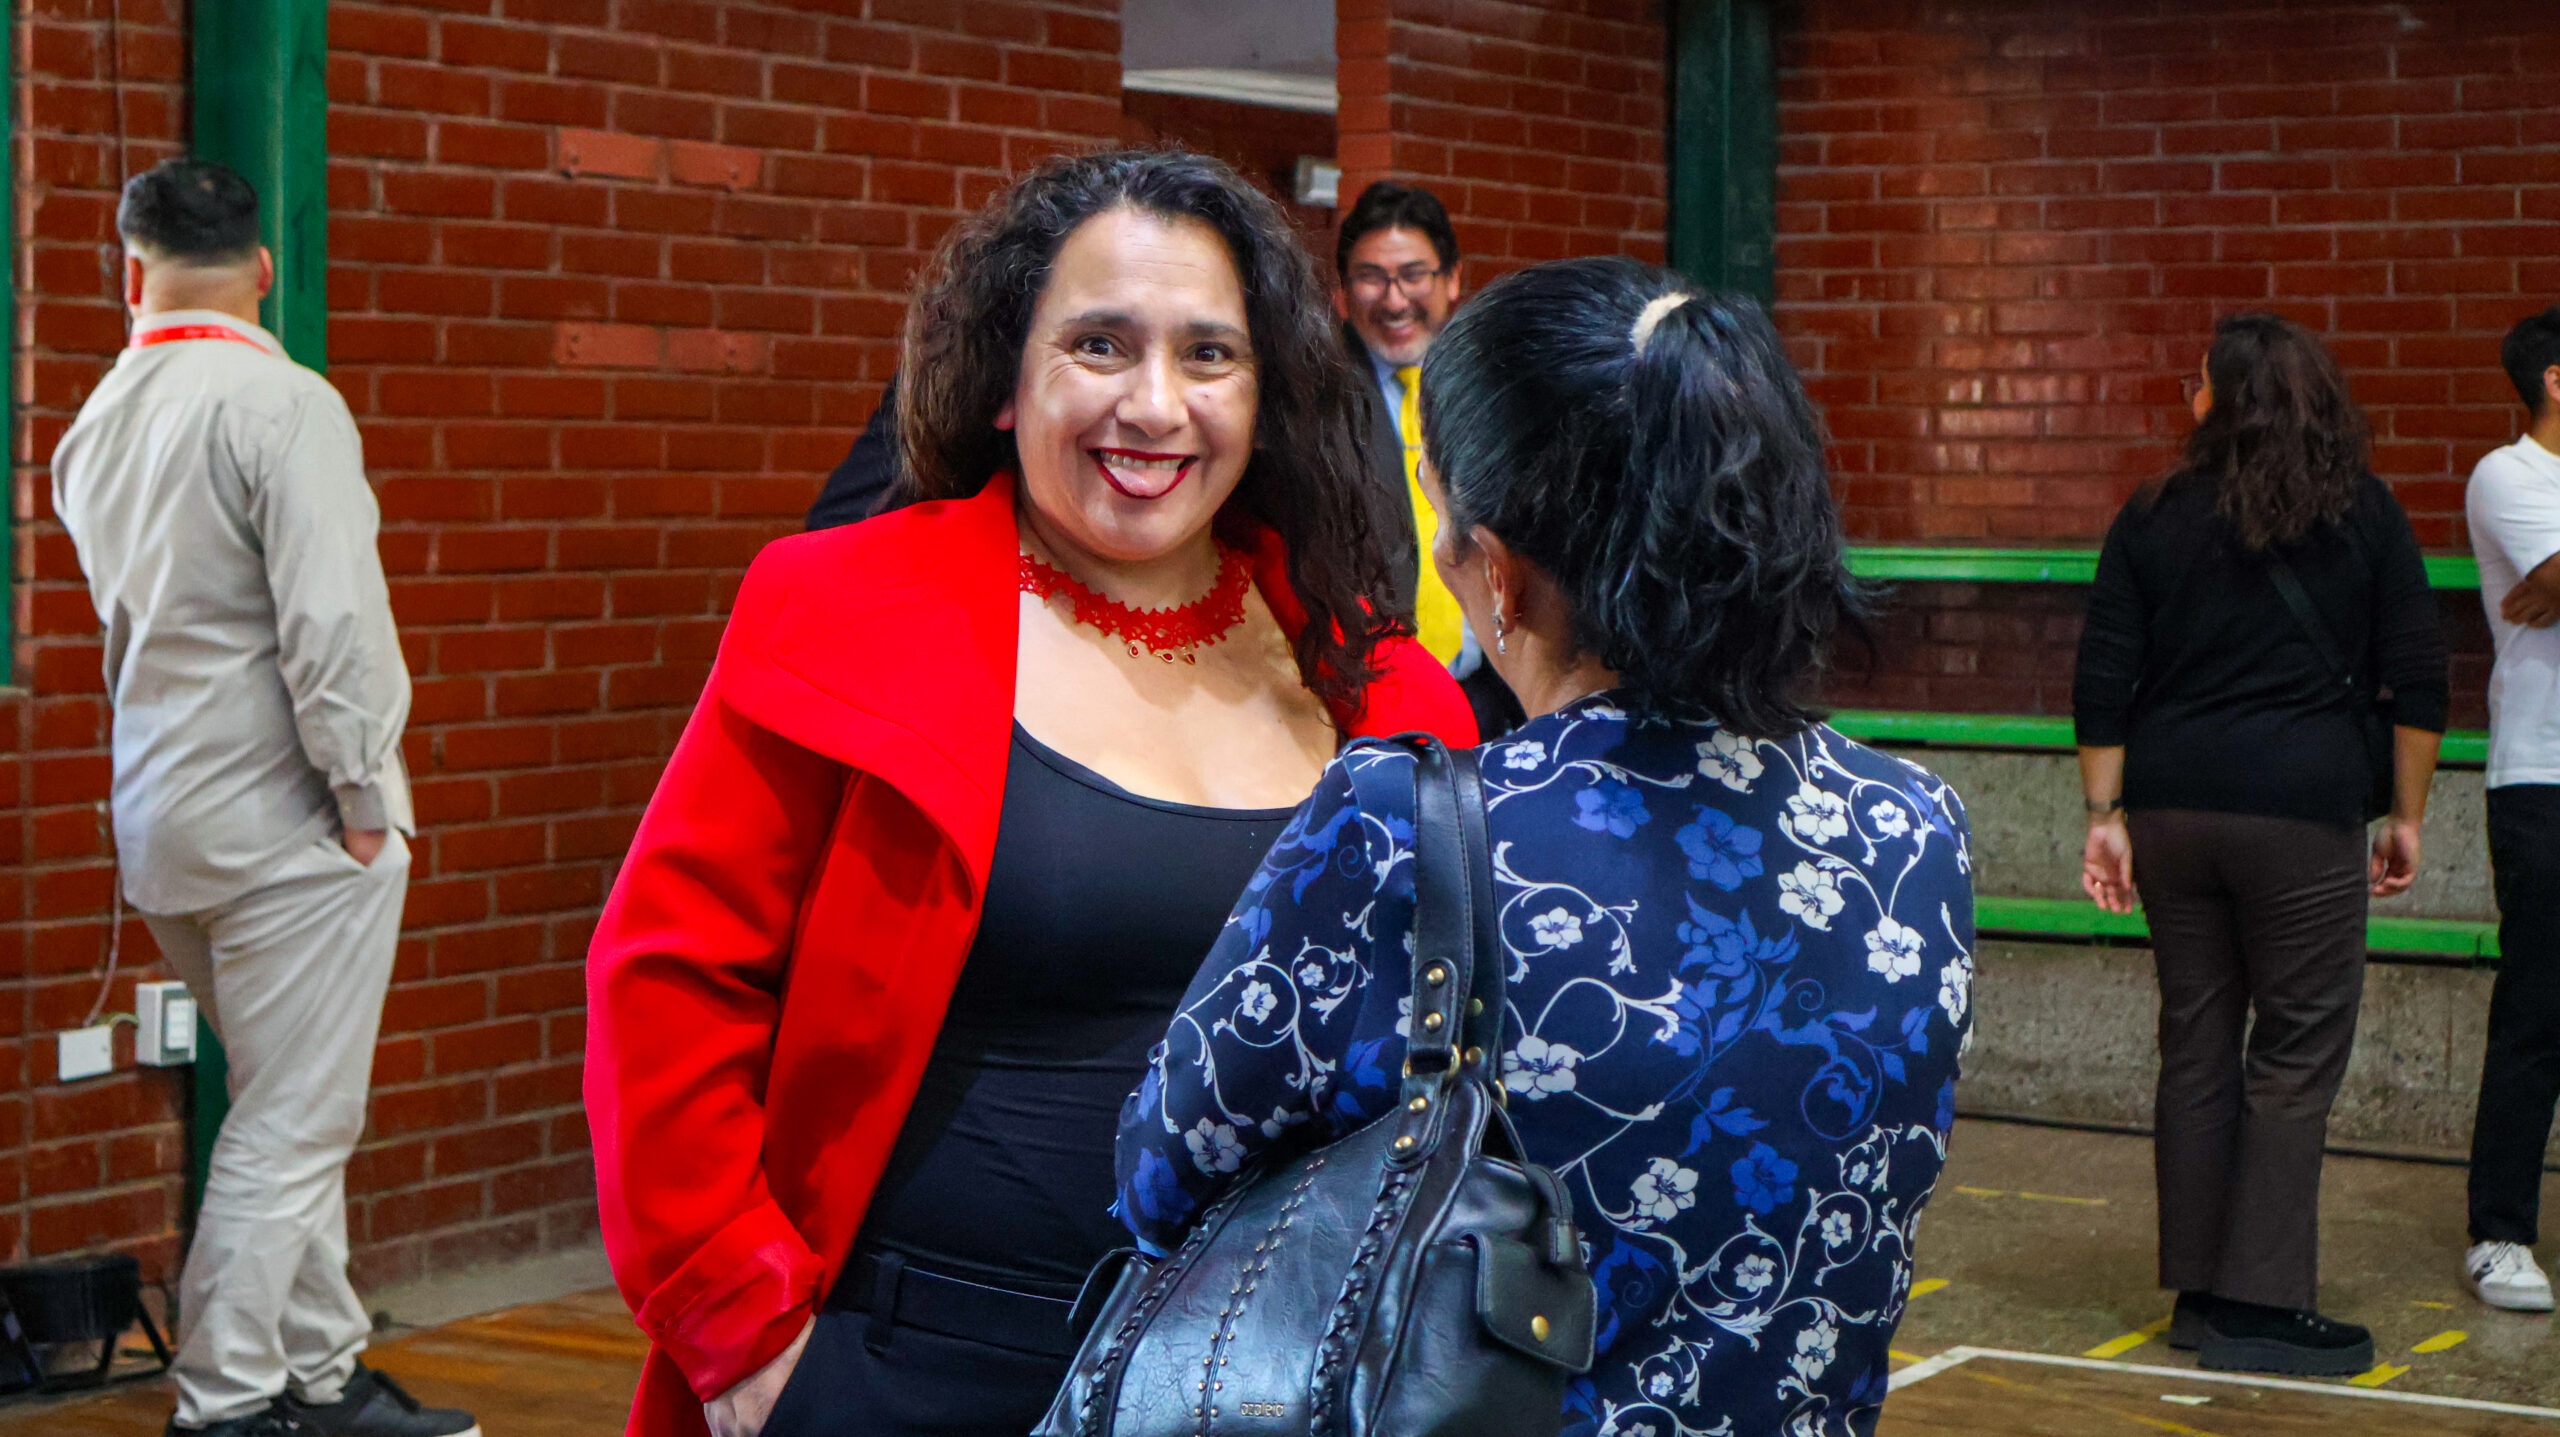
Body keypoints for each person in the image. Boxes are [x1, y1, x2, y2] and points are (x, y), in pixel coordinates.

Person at [584, 148, 1477, 1437]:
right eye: (1100, 345)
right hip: (900, 1368)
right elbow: (669, 976)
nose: (1155, 405)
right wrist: (743, 1334)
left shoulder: (1378, 685)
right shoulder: (841, 609)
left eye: (1209, 355)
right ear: (1007, 379)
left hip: (1257, 1375)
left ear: (1266, 393)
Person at [1117, 257, 1975, 1437]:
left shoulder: (1403, 827)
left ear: (1501, 573)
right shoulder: (1916, 827)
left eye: (1441, 522)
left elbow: (1162, 1172)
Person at [50, 159, 475, 1437]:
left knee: (290, 1105)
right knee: (292, 1127)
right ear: (265, 270)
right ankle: (227, 1406)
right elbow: (332, 627)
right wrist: (362, 796)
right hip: (291, 822)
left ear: (130, 272)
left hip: (163, 822)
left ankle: (323, 1374)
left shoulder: (92, 427)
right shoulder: (285, 405)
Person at [2073, 312, 2449, 1375]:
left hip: (2171, 810)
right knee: (2294, 1051)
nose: (2186, 398)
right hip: (2300, 813)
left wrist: (2103, 816)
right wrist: (2407, 815)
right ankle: (2262, 1304)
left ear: (2227, 400)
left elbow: (2102, 673)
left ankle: (2200, 1294)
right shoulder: (2363, 513)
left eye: (2196, 381)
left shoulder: (2152, 513)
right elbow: (2419, 680)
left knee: (2196, 1042)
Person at [1334, 179, 1526, 739]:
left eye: (1413, 275)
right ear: (1343, 292)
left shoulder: (1494, 386)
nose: (1394, 300)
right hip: (1368, 705)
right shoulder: (1315, 398)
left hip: (1490, 697)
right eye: (1371, 277)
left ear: (1452, 279)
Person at [2459, 304, 2560, 1313]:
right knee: (2539, 1010)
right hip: (2543, 778)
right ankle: (2500, 1232)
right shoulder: (2508, 475)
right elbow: (2552, 582)